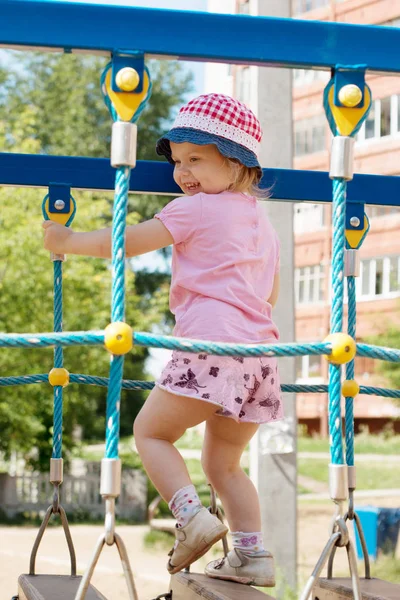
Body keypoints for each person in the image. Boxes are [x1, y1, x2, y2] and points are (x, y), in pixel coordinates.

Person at [42, 93, 283, 587]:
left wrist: (67, 242)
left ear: (236, 163)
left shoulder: (196, 209)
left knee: (151, 434)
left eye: (197, 158)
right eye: (177, 161)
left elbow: (128, 242)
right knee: (225, 464)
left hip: (210, 345)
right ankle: (253, 555)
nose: (183, 172)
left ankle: (191, 516)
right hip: (260, 357)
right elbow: (271, 292)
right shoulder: (264, 224)